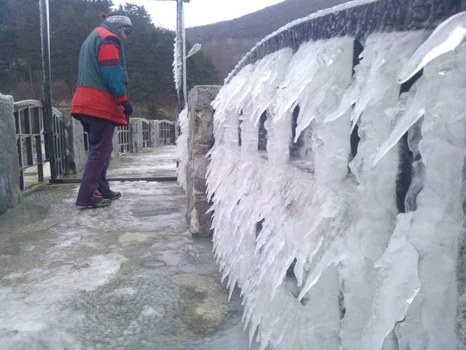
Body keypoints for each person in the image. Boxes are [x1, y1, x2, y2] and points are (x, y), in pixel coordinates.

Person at [71, 11, 133, 209]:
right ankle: (87, 196)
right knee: (99, 151)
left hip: (86, 101)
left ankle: (101, 188)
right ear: (121, 27)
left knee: (102, 149)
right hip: (99, 103)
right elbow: (111, 71)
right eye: (127, 31)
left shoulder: (94, 36)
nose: (126, 36)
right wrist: (123, 100)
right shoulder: (108, 39)